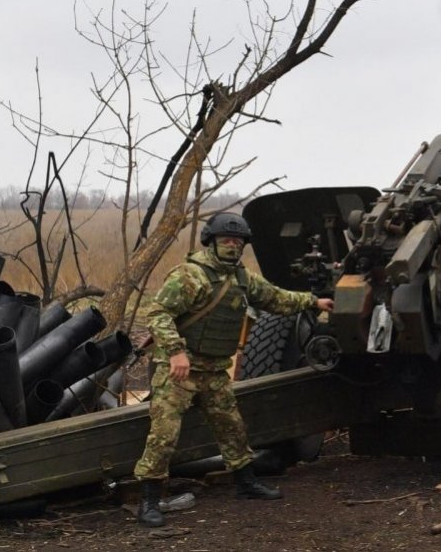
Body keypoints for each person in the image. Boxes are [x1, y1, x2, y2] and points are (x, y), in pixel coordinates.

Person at [133, 212, 334, 528]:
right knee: (164, 436)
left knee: (233, 429)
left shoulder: (243, 278)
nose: (232, 244)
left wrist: (313, 302)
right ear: (211, 241)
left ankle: (245, 483)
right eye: (225, 239)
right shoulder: (190, 276)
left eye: (237, 240)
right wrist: (176, 353)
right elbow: (158, 314)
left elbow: (275, 298)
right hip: (179, 371)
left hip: (213, 370)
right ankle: (148, 502)